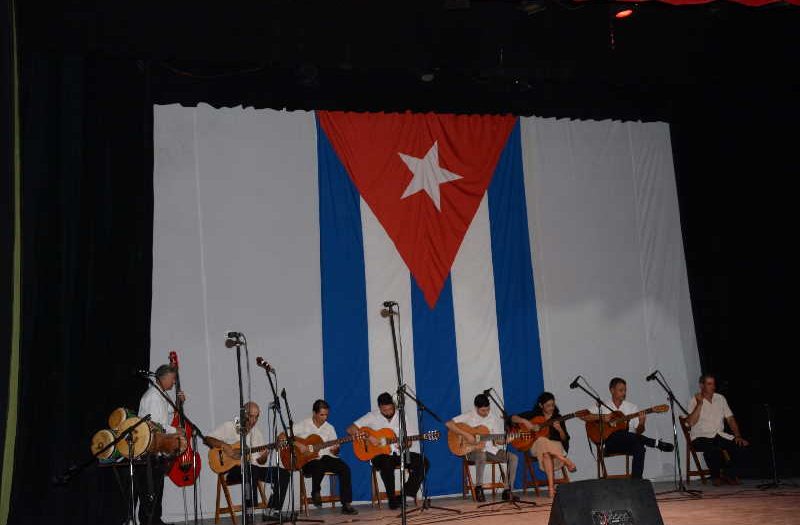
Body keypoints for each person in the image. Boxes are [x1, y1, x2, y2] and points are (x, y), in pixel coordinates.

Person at [204, 402, 290, 520]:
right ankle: (249, 511)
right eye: (251, 416)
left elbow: (261, 462)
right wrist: (225, 446)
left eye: (257, 417)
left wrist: (265, 454)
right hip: (231, 471)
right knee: (250, 469)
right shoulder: (232, 425)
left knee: (283, 474)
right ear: (243, 414)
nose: (254, 420)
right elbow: (207, 439)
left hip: (253, 470)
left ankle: (272, 511)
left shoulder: (257, 432)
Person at [347, 392, 429, 510]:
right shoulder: (372, 416)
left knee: (423, 462)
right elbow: (350, 429)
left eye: (391, 409)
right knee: (386, 462)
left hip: (398, 453)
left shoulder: (401, 416)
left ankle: (403, 495)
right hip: (379, 455)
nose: (389, 412)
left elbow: (409, 441)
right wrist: (369, 437)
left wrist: (404, 445)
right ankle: (392, 499)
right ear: (380, 408)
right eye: (385, 410)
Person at [581, 377, 673, 479]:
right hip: (608, 445)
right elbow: (583, 416)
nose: (624, 393)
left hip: (628, 442)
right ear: (612, 390)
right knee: (618, 433)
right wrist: (603, 417)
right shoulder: (602, 406)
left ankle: (636, 481)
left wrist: (642, 423)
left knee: (640, 448)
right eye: (621, 390)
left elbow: (638, 432)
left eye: (625, 390)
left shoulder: (632, 407)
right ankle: (655, 443)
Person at [136, 364, 187, 525]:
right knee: (150, 491)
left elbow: (170, 411)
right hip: (148, 450)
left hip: (157, 449)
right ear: (163, 378)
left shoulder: (161, 395)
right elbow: (154, 424)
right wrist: (176, 429)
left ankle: (155, 520)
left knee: (157, 490)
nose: (173, 383)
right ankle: (150, 521)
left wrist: (178, 402)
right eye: (172, 379)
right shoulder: (153, 396)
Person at [446, 393, 519, 502]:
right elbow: (449, 424)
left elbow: (498, 440)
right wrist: (466, 435)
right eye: (483, 410)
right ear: (476, 408)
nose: (486, 413)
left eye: (487, 409)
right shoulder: (468, 415)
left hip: (491, 450)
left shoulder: (493, 418)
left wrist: (506, 440)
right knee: (481, 453)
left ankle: (507, 491)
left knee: (513, 458)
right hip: (471, 451)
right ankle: (479, 488)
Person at [293, 399, 358, 514]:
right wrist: (299, 445)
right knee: (318, 463)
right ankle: (316, 492)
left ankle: (346, 504)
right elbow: (285, 436)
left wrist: (335, 449)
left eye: (326, 415)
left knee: (345, 469)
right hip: (307, 461)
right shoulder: (303, 424)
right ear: (314, 413)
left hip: (326, 458)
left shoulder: (330, 428)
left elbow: (334, 452)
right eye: (322, 414)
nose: (324, 418)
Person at [686, 373, 749, 485]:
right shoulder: (694, 400)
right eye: (709, 384)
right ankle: (716, 476)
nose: (713, 387)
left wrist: (738, 436)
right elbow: (690, 422)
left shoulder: (720, 398)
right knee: (712, 447)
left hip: (719, 435)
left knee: (741, 446)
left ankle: (727, 473)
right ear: (701, 385)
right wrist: (699, 404)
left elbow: (730, 419)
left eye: (714, 384)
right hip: (700, 437)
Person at [511, 392, 574, 498]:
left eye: (553, 405)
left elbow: (565, 439)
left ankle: (551, 489)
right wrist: (526, 422)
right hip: (536, 447)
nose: (551, 408)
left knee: (545, 451)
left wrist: (560, 430)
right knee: (541, 440)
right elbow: (511, 418)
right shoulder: (534, 415)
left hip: (555, 446)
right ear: (541, 405)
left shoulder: (558, 417)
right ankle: (564, 459)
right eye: (548, 405)